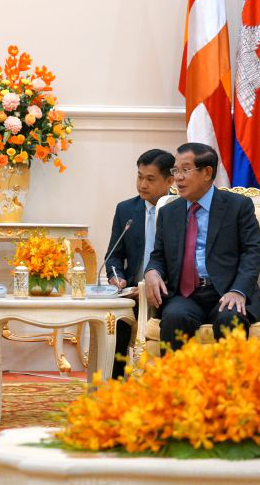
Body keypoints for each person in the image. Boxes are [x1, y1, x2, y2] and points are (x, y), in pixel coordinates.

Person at [144, 142, 260, 350]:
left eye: (185, 170)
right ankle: (173, 373)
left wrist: (239, 290)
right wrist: (152, 271)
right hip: (185, 295)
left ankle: (230, 373)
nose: (178, 178)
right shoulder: (168, 212)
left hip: (228, 291)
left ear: (207, 173)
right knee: (174, 317)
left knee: (230, 318)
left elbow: (252, 251)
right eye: (175, 170)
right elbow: (159, 256)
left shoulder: (238, 206)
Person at [105, 149, 174, 378]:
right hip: (132, 290)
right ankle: (114, 386)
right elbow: (113, 256)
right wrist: (116, 277)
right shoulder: (126, 209)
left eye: (150, 179)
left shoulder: (180, 209)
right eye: (139, 177)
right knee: (115, 319)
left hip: (168, 291)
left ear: (169, 181)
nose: (142, 185)